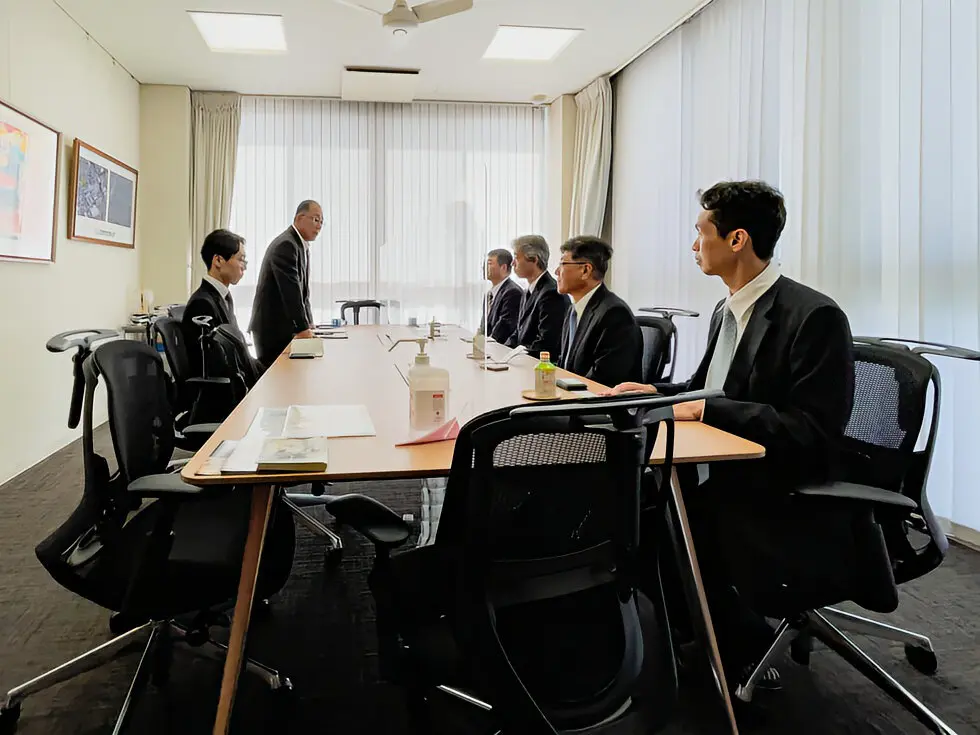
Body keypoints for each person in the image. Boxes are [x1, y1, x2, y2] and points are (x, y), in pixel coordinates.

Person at [603, 180, 854, 689]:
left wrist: (706, 410)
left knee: (670, 513)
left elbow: (810, 431)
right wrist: (653, 391)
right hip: (724, 466)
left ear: (737, 240)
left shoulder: (814, 316)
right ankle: (680, 631)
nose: (694, 245)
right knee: (635, 496)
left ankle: (738, 648)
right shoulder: (728, 308)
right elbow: (707, 390)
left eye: (701, 232)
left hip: (784, 483)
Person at [555, 236, 642, 388]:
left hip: (597, 405)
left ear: (585, 270)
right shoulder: (573, 309)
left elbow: (603, 380)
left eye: (562, 264)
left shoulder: (615, 314)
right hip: (570, 397)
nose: (556, 271)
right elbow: (566, 365)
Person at [249, 200, 322, 368]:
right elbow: (291, 292)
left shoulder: (300, 245)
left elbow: (304, 294)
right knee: (279, 382)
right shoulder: (286, 245)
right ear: (299, 218)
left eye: (321, 222)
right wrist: (303, 330)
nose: (319, 226)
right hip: (273, 330)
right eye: (316, 219)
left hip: (283, 329)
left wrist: (309, 323)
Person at [183, 228, 247, 375]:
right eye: (240, 259)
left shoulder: (223, 297)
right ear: (218, 260)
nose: (243, 266)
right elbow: (214, 364)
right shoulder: (202, 304)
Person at [505, 235, 568, 358]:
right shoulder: (527, 291)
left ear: (534, 259)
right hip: (524, 361)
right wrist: (503, 353)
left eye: (516, 257)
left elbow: (546, 343)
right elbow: (519, 332)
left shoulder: (552, 292)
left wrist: (515, 356)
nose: (512, 263)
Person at [478, 248, 523, 344]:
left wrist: (487, 344)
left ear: (503, 267)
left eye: (489, 264)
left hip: (500, 350)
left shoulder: (512, 292)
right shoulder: (489, 294)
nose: (484, 267)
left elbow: (505, 327)